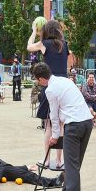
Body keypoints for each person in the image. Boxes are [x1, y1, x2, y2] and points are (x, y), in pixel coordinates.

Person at [33, 63, 93, 191]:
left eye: (37, 80)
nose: (38, 82)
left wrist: (54, 136)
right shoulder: (66, 81)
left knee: (72, 168)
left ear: (41, 79)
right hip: (87, 122)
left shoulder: (50, 90)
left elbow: (53, 115)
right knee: (74, 166)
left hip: (74, 126)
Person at [27, 20, 69, 168]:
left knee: (49, 125)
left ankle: (46, 160)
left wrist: (33, 31)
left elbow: (28, 47)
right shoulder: (65, 45)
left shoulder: (44, 43)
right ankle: (59, 162)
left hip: (51, 84)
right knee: (62, 124)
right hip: (64, 86)